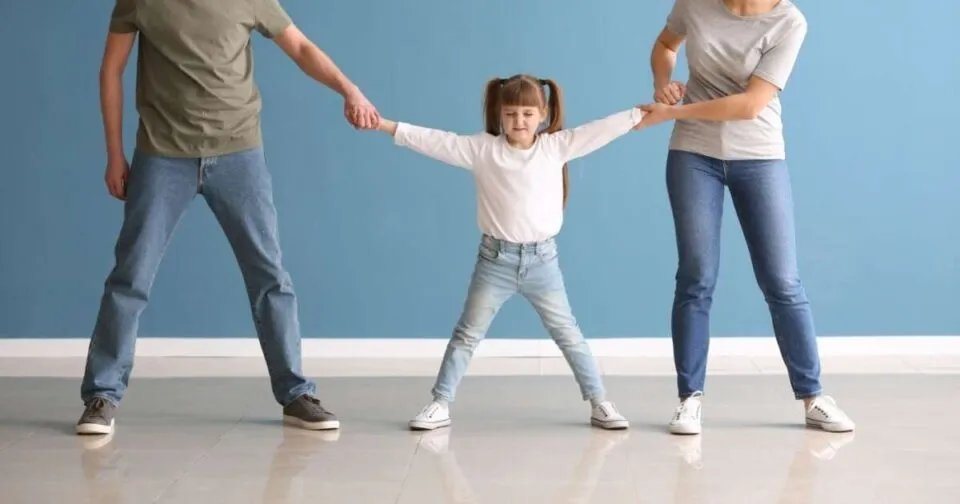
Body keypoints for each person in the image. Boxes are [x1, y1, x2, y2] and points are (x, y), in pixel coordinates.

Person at [76, 0, 380, 435]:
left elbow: (301, 49)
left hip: (239, 153)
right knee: (131, 276)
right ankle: (102, 395)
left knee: (269, 276)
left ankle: (296, 393)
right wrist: (114, 153)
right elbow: (111, 69)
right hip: (163, 155)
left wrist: (350, 89)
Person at [374, 74, 661, 431]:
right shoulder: (482, 150)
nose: (519, 121)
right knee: (467, 334)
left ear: (543, 114)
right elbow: (434, 141)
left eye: (527, 113)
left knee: (568, 334)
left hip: (544, 263)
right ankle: (440, 403)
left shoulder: (556, 147)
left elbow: (598, 130)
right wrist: (384, 125)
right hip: (495, 262)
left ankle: (600, 402)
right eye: (510, 114)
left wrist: (636, 115)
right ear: (499, 114)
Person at [641, 0, 855, 435]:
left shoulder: (788, 21)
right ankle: (689, 400)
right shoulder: (695, 5)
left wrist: (673, 113)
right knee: (696, 276)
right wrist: (663, 82)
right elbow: (665, 44)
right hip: (692, 155)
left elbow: (750, 104)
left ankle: (813, 397)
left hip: (758, 156)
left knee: (782, 281)